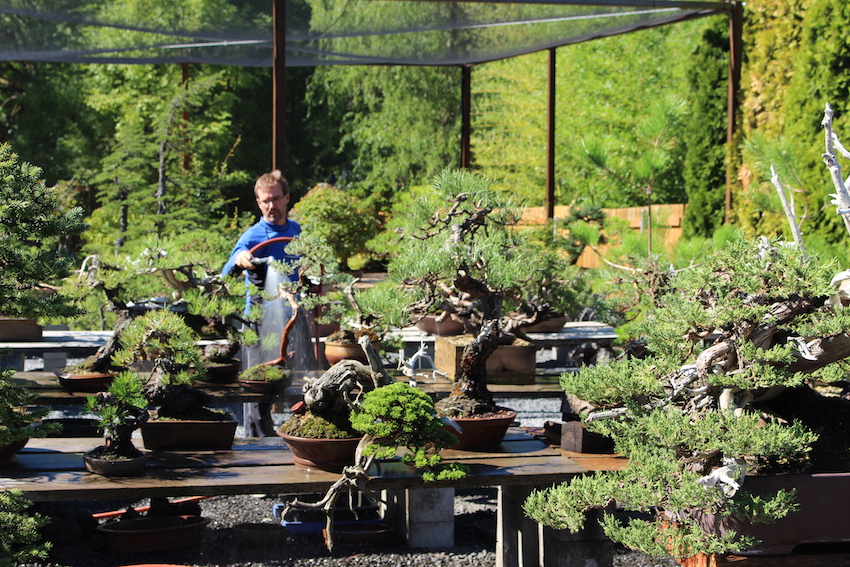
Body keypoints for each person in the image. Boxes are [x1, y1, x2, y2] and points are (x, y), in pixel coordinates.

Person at [223, 170, 311, 437]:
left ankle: (297, 430)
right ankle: (257, 437)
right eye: (265, 201)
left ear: (286, 199)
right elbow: (231, 263)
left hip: (290, 315)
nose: (271, 205)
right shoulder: (253, 235)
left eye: (275, 199)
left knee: (295, 376)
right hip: (258, 319)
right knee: (256, 382)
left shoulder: (296, 231)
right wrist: (241, 258)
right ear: (259, 203)